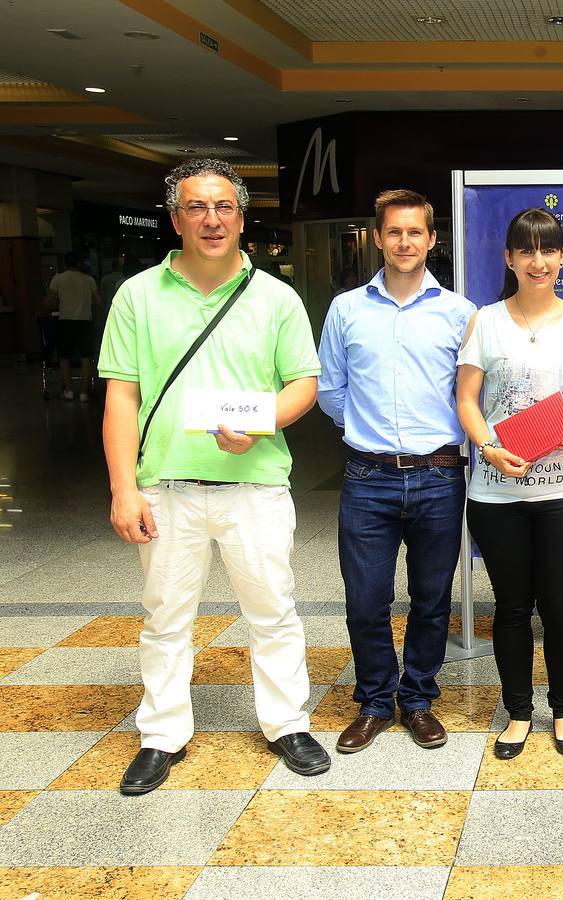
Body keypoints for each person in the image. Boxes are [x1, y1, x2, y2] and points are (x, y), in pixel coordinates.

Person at [100, 158, 329, 794]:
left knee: (272, 611)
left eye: (224, 206)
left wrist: (262, 424)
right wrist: (123, 489)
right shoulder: (137, 295)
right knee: (165, 618)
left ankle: (287, 723)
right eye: (197, 207)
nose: (211, 219)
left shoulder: (275, 297)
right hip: (166, 486)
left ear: (242, 218)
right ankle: (162, 734)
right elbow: (121, 396)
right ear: (175, 220)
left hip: (256, 486)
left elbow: (303, 383)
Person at [317, 189, 474, 754]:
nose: (404, 242)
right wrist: (369, 431)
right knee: (366, 601)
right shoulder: (346, 310)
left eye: (415, 232)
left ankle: (419, 699)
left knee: (432, 599)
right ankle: (375, 702)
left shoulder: (460, 313)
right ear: (378, 239)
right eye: (394, 232)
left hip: (439, 475)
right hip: (368, 477)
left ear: (432, 239)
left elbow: (470, 394)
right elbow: (330, 389)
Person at [456, 208, 563, 759]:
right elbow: (467, 399)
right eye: (526, 250)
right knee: (512, 608)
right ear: (509, 258)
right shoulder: (486, 321)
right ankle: (518, 711)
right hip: (497, 493)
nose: (537, 261)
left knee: (561, 607)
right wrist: (487, 447)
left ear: (562, 257)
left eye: (548, 250)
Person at [47, 250, 101, 401]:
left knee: (64, 356)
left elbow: (49, 300)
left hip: (66, 321)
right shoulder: (89, 280)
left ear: (65, 263)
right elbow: (99, 300)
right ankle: (84, 392)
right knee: (86, 356)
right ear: (79, 263)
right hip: (85, 322)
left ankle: (68, 390)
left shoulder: (58, 279)